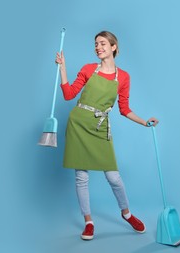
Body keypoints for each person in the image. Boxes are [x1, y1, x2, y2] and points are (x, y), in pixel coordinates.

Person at [55, 31, 159, 241]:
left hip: (100, 128)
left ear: (113, 47)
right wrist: (63, 67)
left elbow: (124, 108)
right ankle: (88, 222)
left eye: (102, 43)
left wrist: (145, 122)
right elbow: (68, 95)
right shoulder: (88, 69)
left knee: (113, 177)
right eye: (95, 44)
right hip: (78, 125)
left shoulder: (124, 77)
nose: (98, 47)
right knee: (81, 177)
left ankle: (126, 214)